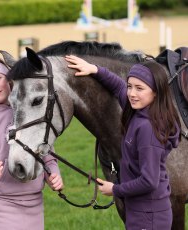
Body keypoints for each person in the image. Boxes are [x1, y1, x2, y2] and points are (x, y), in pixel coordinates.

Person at [65, 55, 181, 229]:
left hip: (149, 217)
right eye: (130, 86)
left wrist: (115, 189)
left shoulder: (148, 129)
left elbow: (149, 181)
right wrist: (94, 69)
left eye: (139, 88)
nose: (132, 93)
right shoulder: (139, 110)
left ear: (156, 92)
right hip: (142, 211)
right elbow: (118, 85)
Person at [0, 56, 63, 230]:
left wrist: (53, 174)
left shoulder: (28, 113)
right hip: (2, 209)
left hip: (35, 206)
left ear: (8, 79)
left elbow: (47, 154)